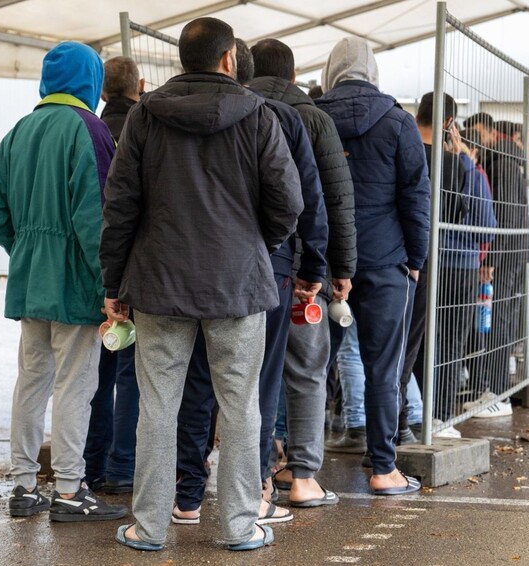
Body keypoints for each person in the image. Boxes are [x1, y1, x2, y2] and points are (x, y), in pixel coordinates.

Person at [100, 18, 303, 551]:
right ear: (230, 59)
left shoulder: (145, 115)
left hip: (159, 281)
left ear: (181, 60)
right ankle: (240, 526)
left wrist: (113, 281)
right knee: (241, 406)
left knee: (157, 404)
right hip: (237, 283)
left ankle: (149, 526)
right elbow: (289, 202)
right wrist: (258, 244)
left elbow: (119, 206)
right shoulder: (258, 115)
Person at [173, 37, 328, 523]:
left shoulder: (161, 114)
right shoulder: (275, 118)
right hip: (264, 271)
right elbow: (303, 201)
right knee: (256, 385)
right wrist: (305, 264)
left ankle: (188, 496)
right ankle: (256, 494)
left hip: (182, 269)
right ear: (234, 64)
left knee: (196, 383)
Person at [0, 41, 128, 523]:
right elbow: (95, 220)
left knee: (31, 382)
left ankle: (23, 486)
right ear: (91, 80)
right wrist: (111, 286)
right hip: (76, 284)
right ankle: (67, 490)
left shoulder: (20, 129)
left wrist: (23, 249)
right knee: (74, 386)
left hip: (29, 282)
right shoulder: (91, 129)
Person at [316, 37, 430, 495]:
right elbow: (416, 198)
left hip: (323, 265)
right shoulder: (399, 123)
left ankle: (299, 469)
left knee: (312, 366)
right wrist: (416, 261)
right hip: (387, 264)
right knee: (385, 367)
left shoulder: (313, 118)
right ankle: (384, 468)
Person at [249, 37, 357, 507]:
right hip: (303, 268)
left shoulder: (241, 108)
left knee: (250, 373)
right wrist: (341, 268)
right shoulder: (313, 118)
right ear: (294, 76)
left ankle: (256, 471)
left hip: (247, 266)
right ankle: (304, 475)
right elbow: (335, 199)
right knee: (307, 370)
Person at [405, 92, 496, 431]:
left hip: (420, 262)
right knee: (450, 342)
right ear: (449, 124)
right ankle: (439, 416)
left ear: (418, 117)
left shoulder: (408, 155)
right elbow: (486, 223)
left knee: (416, 340)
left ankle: (413, 412)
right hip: (460, 264)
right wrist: (466, 162)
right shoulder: (461, 166)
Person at [83, 55, 144, 495]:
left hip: (95, 272)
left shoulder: (92, 132)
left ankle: (91, 464)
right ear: (139, 85)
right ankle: (123, 466)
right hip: (137, 274)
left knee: (96, 375)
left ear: (103, 91)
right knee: (132, 374)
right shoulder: (146, 130)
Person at [461, 112, 529, 418]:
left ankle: (495, 392)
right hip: (515, 251)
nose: (474, 141)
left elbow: (503, 217)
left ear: (491, 133)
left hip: (505, 254)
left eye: (478, 134)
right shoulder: (509, 160)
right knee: (497, 320)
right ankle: (491, 389)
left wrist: (490, 259)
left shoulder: (501, 164)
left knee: (496, 320)